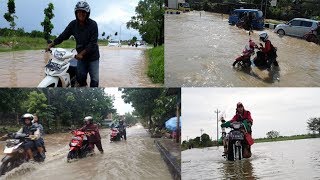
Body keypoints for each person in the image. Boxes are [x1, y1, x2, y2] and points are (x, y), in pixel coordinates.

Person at [46, 1, 100, 87]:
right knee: (80, 78)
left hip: (93, 57)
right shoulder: (73, 24)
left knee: (95, 80)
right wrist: (52, 44)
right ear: (76, 13)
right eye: (78, 11)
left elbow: (93, 43)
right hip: (81, 57)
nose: (81, 14)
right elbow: (63, 36)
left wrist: (81, 54)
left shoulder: (93, 24)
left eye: (83, 12)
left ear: (87, 13)